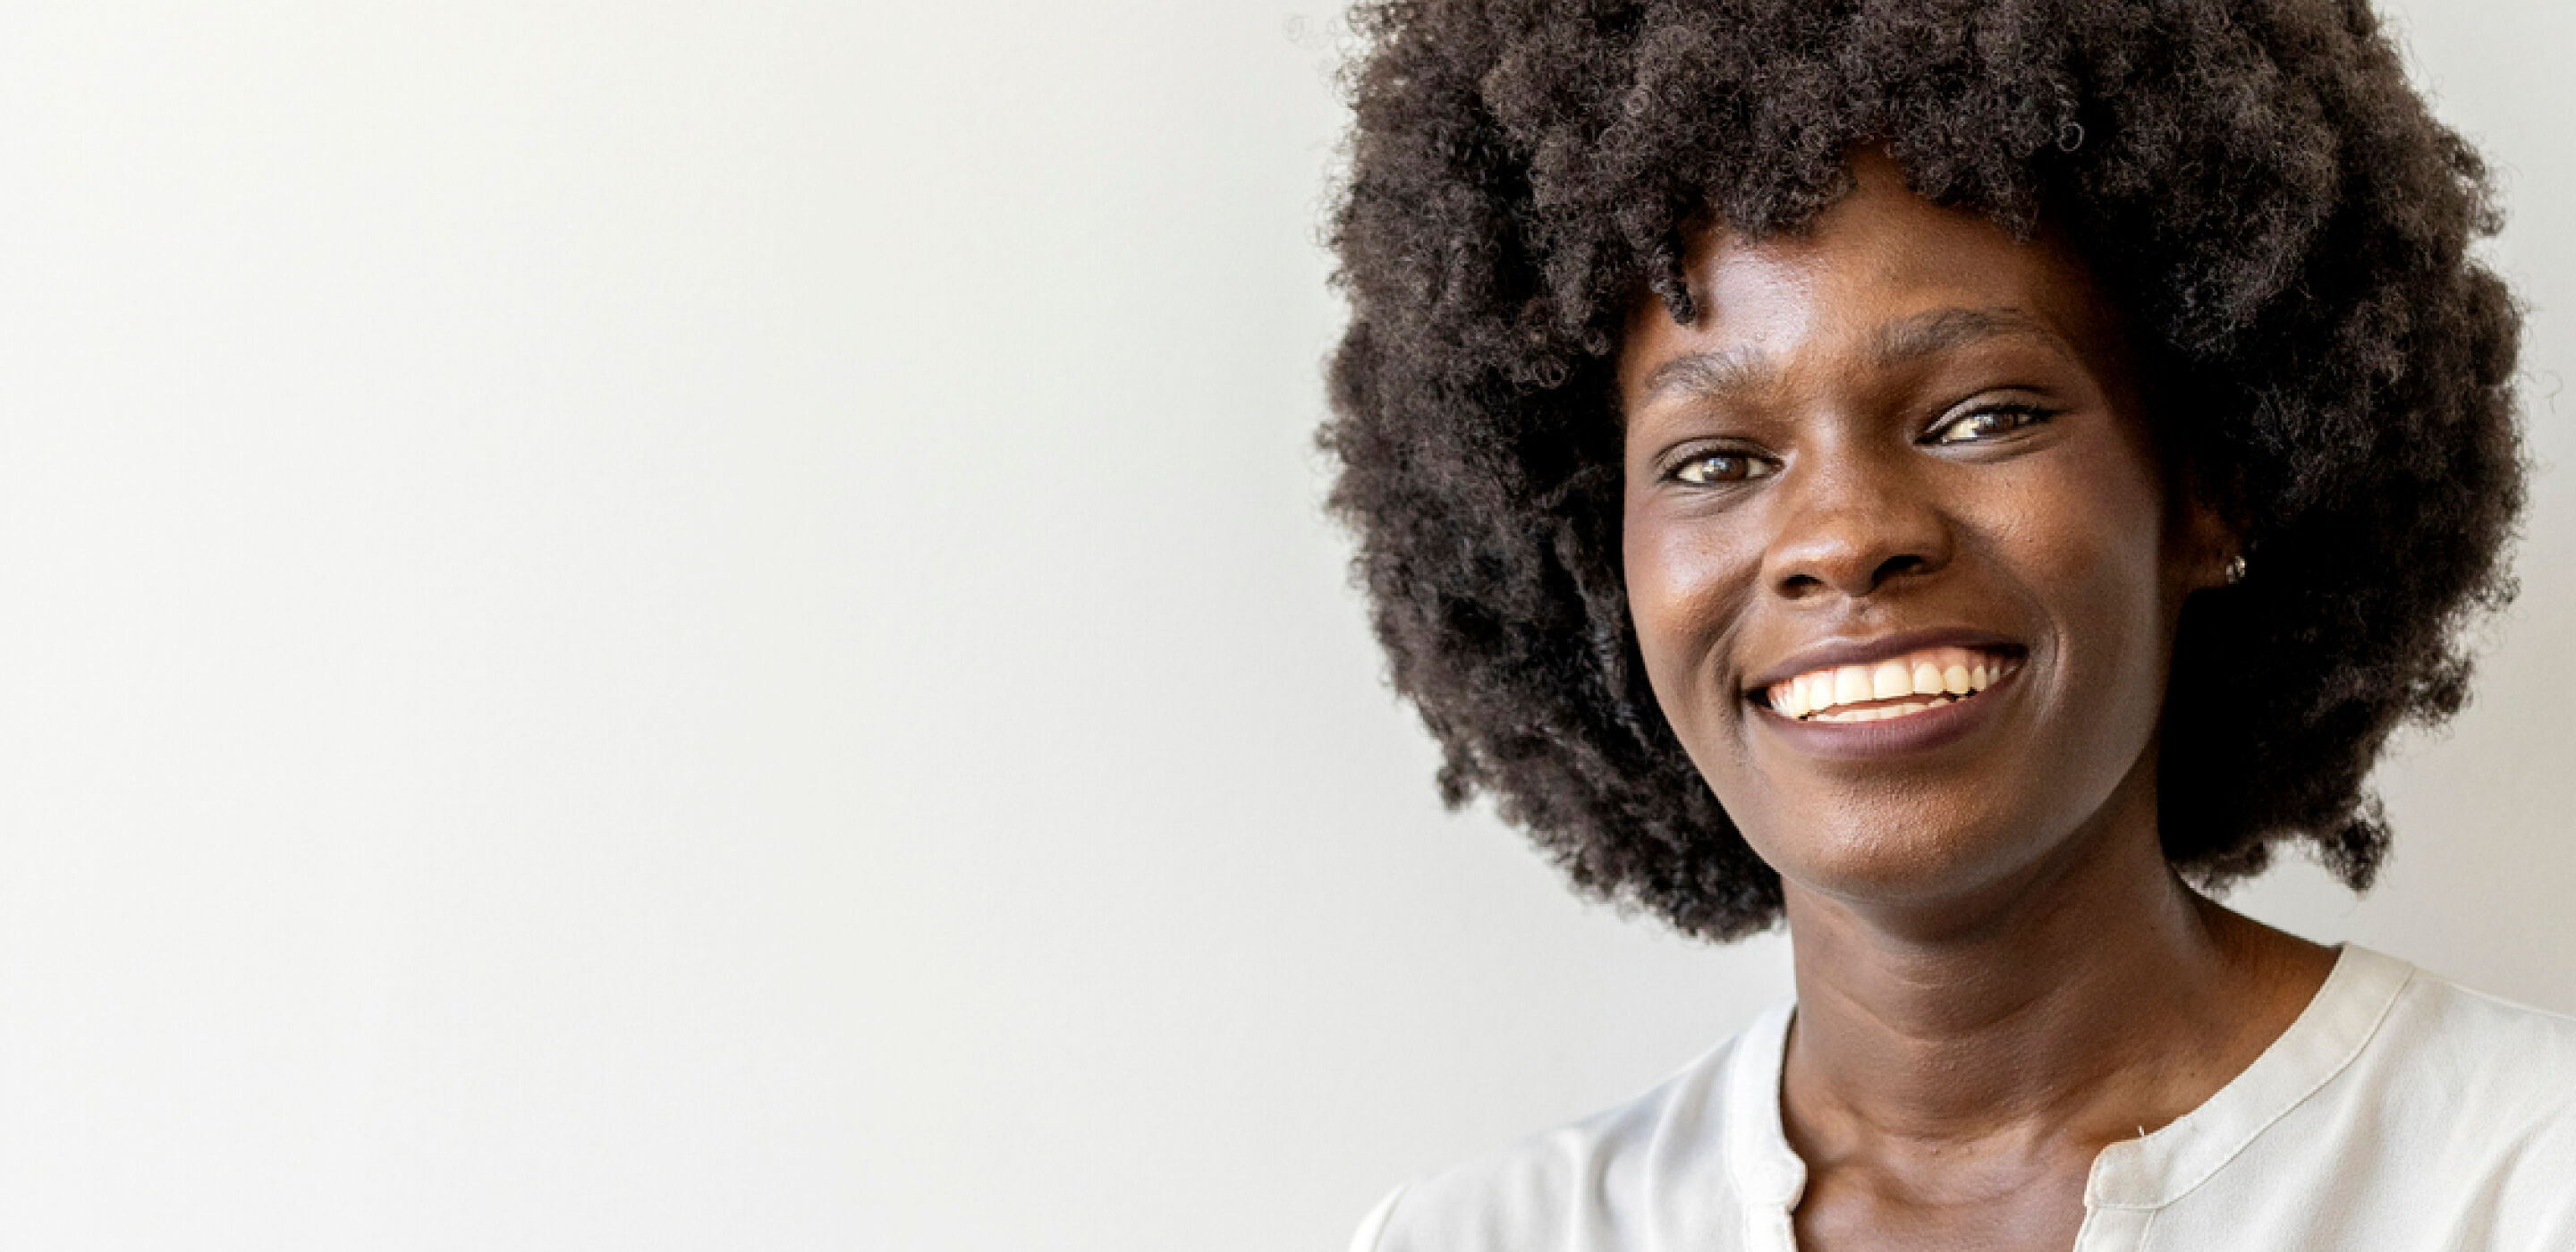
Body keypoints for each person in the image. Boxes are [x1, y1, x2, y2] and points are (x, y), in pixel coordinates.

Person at [1319, 1, 2574, 1248]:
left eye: (1983, 417)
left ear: (2210, 486)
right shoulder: (1476, 1237)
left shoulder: (2522, 1182)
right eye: (1713, 461)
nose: (1841, 537)